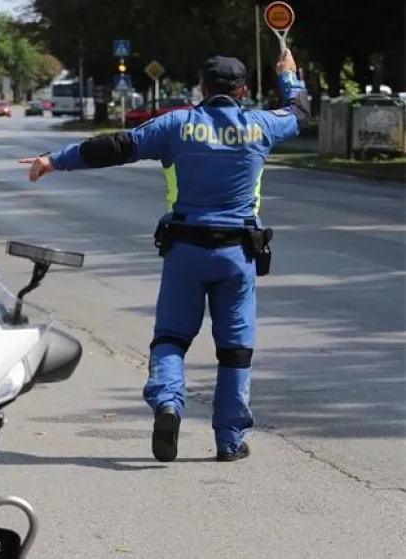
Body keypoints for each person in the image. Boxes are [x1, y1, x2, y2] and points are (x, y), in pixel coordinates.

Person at [18, 49, 309, 463]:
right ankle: (229, 441)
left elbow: (117, 146)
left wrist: (54, 160)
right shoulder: (260, 126)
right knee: (235, 349)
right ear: (243, 91)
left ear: (202, 88)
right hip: (237, 254)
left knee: (171, 338)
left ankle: (168, 403)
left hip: (185, 251)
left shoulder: (178, 125)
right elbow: (299, 112)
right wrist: (289, 76)